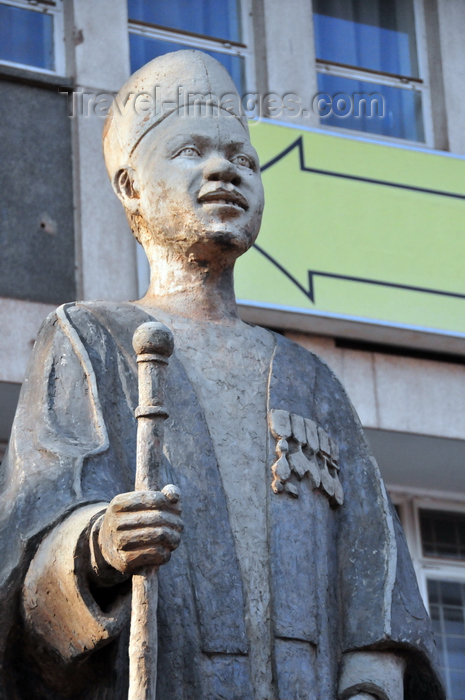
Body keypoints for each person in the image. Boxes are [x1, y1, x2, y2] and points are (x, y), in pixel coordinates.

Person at [0, 51, 444, 700]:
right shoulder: (91, 339)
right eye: (190, 151)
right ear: (130, 187)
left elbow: (376, 586)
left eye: (243, 159)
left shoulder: (310, 380)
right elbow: (32, 530)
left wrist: (370, 683)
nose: (222, 170)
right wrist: (98, 547)